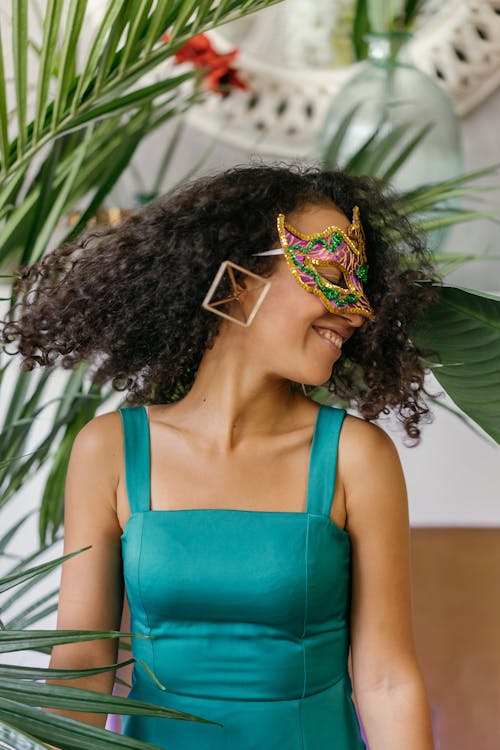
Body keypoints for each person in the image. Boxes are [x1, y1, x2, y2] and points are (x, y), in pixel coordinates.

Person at [2, 164, 438, 750]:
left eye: (363, 288)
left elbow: (386, 682)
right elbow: (81, 669)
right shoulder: (108, 450)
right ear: (237, 279)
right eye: (333, 276)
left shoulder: (357, 458)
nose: (358, 312)